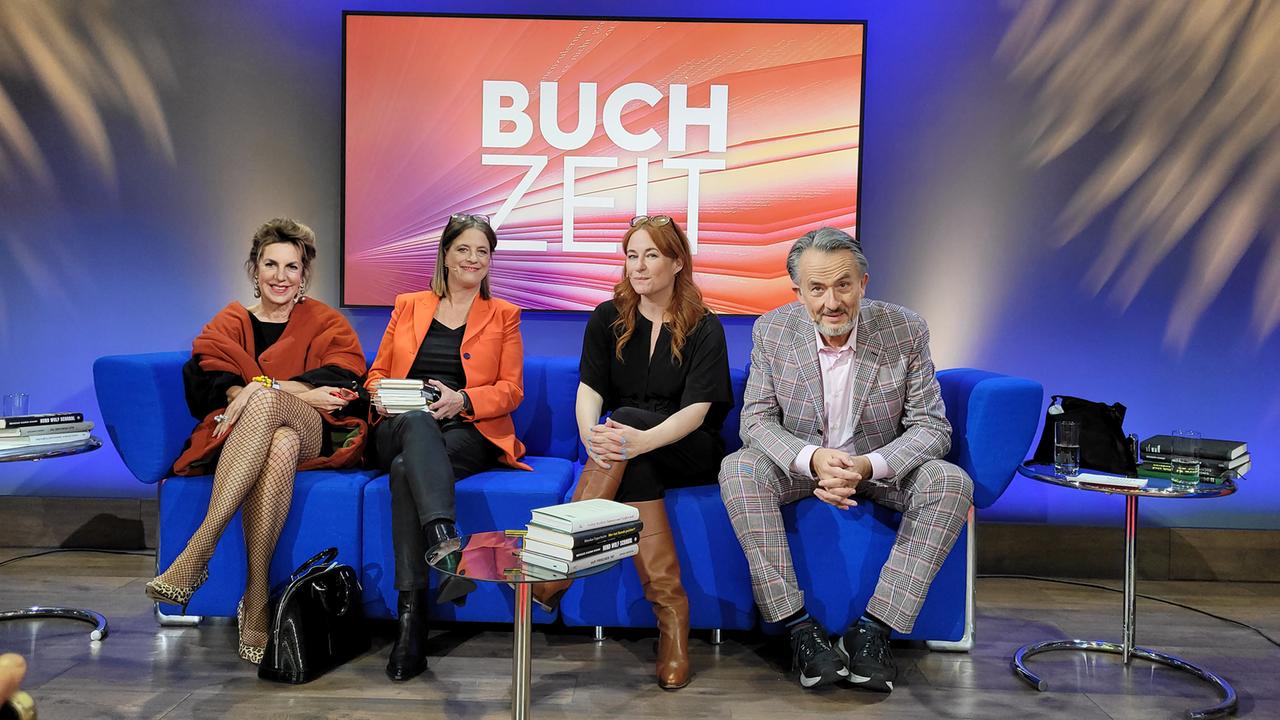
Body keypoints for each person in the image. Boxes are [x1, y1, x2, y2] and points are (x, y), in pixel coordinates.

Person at [719, 227, 971, 693]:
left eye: (843, 285)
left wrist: (868, 465)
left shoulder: (904, 329)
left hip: (880, 466)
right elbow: (754, 421)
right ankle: (798, 629)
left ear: (863, 284)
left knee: (950, 482)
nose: (831, 301)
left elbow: (932, 428)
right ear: (798, 292)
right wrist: (812, 459)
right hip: (804, 468)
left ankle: (874, 631)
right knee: (739, 468)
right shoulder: (773, 330)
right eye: (816, 288)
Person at [147, 218, 368, 665]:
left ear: (305, 275)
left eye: (292, 267)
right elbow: (209, 381)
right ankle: (255, 597)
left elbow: (343, 383)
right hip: (255, 430)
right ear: (254, 268)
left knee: (271, 410)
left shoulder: (327, 321)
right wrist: (264, 389)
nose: (281, 276)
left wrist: (259, 388)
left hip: (316, 429)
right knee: (278, 441)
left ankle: (200, 548)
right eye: (271, 264)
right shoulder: (230, 321)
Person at [532, 215, 732, 690]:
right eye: (631, 255)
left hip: (688, 447)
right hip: (627, 448)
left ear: (677, 262)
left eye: (651, 255)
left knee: (629, 421)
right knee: (628, 440)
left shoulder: (705, 327)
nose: (638, 266)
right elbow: (589, 389)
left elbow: (698, 411)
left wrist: (631, 437)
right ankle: (673, 622)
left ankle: (557, 564)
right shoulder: (607, 317)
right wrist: (590, 438)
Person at [364, 212, 529, 682]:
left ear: (490, 260)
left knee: (403, 471)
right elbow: (375, 374)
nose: (473, 258)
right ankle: (444, 543)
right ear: (446, 254)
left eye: (482, 251)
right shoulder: (409, 305)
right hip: (400, 424)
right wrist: (386, 394)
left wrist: (463, 400)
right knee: (415, 423)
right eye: (464, 249)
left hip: (466, 429)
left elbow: (511, 390)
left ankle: (411, 624)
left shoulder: (504, 315)